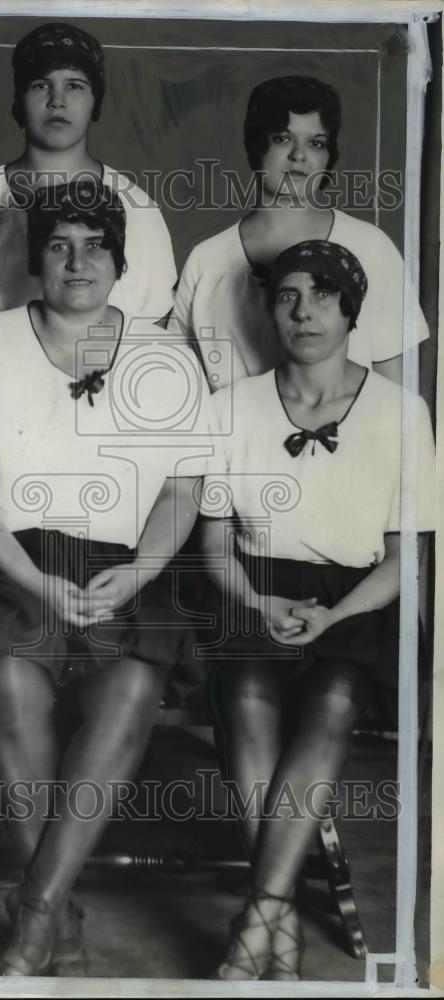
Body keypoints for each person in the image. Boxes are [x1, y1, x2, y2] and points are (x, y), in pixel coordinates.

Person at [0, 179, 213, 976]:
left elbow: (182, 492)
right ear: (35, 260)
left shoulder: (167, 358)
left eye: (95, 245)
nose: (78, 260)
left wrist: (139, 574)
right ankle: (57, 908)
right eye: (59, 244)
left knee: (128, 690)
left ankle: (38, 905)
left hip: (123, 569)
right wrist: (33, 578)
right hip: (5, 560)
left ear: (120, 262)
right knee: (10, 684)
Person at [198, 241, 435, 980]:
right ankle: (281, 914)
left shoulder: (403, 412)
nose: (304, 312)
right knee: (245, 693)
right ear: (268, 310)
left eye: (324, 296)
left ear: (351, 310)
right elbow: (212, 547)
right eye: (288, 296)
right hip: (254, 586)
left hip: (358, 598)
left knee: (333, 696)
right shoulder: (231, 407)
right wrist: (254, 599)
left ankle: (261, 914)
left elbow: (405, 560)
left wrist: (331, 621)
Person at [172, 76, 428, 390]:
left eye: (316, 143)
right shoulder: (207, 260)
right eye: (282, 138)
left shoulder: (371, 247)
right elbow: (177, 390)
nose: (299, 155)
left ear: (328, 155)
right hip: (238, 437)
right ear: (255, 145)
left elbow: (397, 399)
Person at [0, 21, 177, 334]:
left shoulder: (139, 208)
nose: (57, 100)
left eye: (74, 85)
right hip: (3, 378)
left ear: (96, 100)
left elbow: (157, 326)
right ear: (19, 99)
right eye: (40, 85)